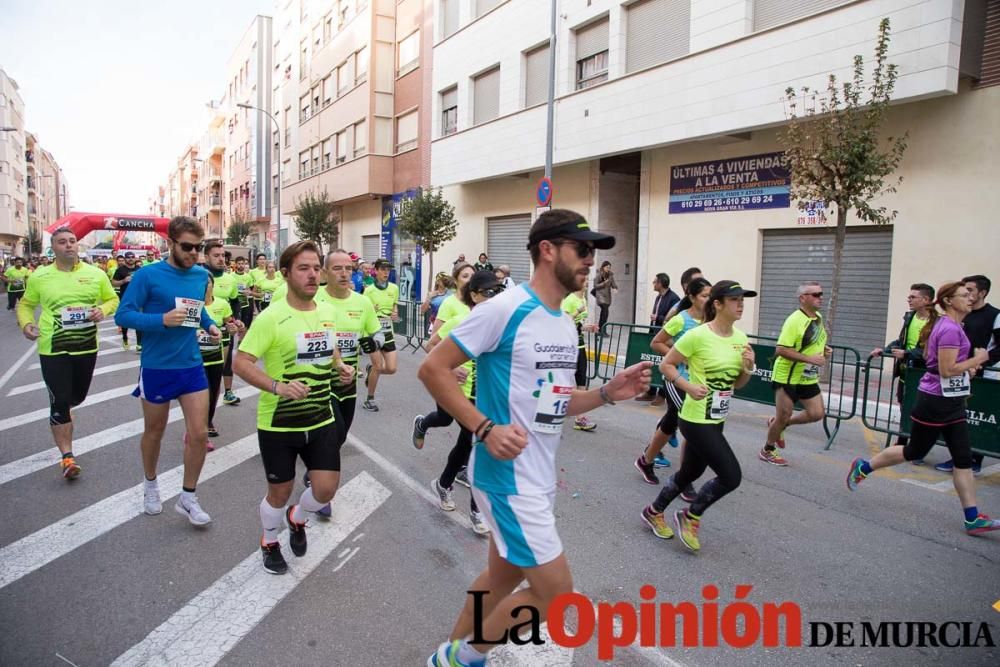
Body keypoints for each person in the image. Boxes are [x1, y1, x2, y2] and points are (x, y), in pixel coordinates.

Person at [419, 209, 651, 667]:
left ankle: (451, 658)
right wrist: (483, 428)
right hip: (508, 479)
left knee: (499, 580)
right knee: (557, 595)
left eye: (594, 252)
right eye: (582, 250)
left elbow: (555, 403)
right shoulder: (504, 309)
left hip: (538, 476)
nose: (591, 260)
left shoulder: (563, 321)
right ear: (548, 250)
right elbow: (433, 368)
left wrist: (606, 393)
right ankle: (460, 657)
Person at [234, 241, 355, 574]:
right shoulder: (272, 317)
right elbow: (241, 362)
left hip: (321, 417)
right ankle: (270, 540)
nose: (313, 274)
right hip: (279, 423)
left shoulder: (328, 312)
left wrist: (340, 368)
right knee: (280, 491)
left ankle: (297, 517)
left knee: (326, 489)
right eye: (304, 268)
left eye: (317, 267)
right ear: (286, 274)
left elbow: (330, 353)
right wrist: (278, 387)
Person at [847, 281, 998, 535]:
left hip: (951, 402)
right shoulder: (949, 328)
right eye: (964, 294)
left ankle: (973, 517)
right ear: (949, 301)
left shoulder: (954, 325)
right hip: (935, 403)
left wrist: (969, 369)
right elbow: (946, 369)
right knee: (913, 450)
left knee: (962, 458)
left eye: (971, 294)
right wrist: (979, 359)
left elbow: (947, 366)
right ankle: (864, 466)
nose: (970, 298)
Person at [115, 216, 222, 526]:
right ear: (170, 244)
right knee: (155, 432)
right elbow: (124, 315)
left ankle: (188, 497)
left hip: (191, 365)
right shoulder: (147, 276)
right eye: (187, 247)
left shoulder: (200, 275)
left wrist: (211, 325)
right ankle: (150, 484)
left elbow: (196, 309)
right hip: (157, 367)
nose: (193, 254)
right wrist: (160, 320)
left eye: (198, 248)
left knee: (200, 434)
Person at [641, 280, 757, 551]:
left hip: (717, 417)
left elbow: (737, 385)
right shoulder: (698, 335)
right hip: (695, 418)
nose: (740, 304)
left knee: (691, 471)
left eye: (743, 300)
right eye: (734, 299)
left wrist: (747, 368)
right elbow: (666, 365)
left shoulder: (740, 339)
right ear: (717, 304)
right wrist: (688, 386)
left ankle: (653, 511)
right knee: (731, 476)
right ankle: (691, 515)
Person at [16, 228, 119, 479]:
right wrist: (26, 323)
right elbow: (27, 304)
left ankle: (66, 408)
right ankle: (67, 457)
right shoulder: (40, 276)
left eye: (72, 241)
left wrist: (102, 311)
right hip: (53, 348)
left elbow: (112, 298)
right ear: (54, 248)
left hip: (86, 346)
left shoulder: (96, 274)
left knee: (78, 396)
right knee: (59, 401)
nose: (69, 246)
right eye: (62, 242)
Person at [421, 270, 504, 536]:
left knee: (469, 445)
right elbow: (431, 346)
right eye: (489, 293)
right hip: (465, 394)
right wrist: (450, 368)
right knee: (477, 447)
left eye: (499, 292)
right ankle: (477, 509)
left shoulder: (504, 323)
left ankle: (444, 483)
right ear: (474, 296)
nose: (495, 298)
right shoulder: (461, 320)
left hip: (492, 397)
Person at [306, 249, 381, 516]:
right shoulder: (313, 299)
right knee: (332, 432)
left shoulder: (361, 303)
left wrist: (380, 355)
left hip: (349, 383)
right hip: (318, 382)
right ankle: (320, 490)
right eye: (337, 268)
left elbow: (374, 335)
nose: (345, 273)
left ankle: (315, 468)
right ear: (325, 273)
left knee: (341, 434)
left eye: (349, 268)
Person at [635, 277, 712, 482]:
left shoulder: (711, 322)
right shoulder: (681, 319)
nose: (709, 299)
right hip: (676, 379)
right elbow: (656, 342)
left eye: (711, 296)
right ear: (692, 297)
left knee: (670, 423)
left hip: (699, 383)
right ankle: (683, 478)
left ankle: (647, 459)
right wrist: (678, 356)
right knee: (689, 425)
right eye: (705, 295)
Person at [761, 281, 831, 466]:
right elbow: (781, 350)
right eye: (815, 295)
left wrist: (824, 350)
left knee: (816, 414)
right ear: (803, 298)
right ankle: (767, 449)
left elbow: (813, 341)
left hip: (807, 377)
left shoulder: (818, 317)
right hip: (787, 376)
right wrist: (810, 359)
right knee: (784, 414)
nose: (820, 297)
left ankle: (780, 424)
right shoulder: (794, 320)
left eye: (821, 293)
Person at [933, 275, 998, 473]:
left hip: (984, 376)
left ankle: (973, 459)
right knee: (962, 419)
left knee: (979, 418)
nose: (967, 295)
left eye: (970, 290)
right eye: (964, 292)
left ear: (982, 293)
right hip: (959, 374)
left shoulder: (995, 315)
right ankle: (961, 459)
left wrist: (981, 362)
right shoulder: (959, 315)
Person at [870, 283, 935, 452]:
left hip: (924, 375)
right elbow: (901, 342)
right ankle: (903, 440)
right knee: (904, 406)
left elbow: (932, 351)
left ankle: (918, 446)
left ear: (926, 299)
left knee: (921, 411)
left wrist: (907, 354)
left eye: (913, 297)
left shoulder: (937, 322)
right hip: (906, 373)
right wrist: (884, 350)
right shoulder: (910, 317)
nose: (909, 299)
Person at [203, 240, 244, 409]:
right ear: (206, 258)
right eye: (216, 256)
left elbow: (235, 302)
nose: (221, 259)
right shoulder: (198, 276)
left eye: (223, 256)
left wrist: (235, 320)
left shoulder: (230, 279)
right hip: (202, 328)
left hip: (225, 326)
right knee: (205, 369)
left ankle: (227, 392)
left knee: (226, 363)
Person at [200, 274, 240, 447]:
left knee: (214, 390)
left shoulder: (222, 304)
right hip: (195, 356)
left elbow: (229, 325)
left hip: (217, 354)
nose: (204, 286)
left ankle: (208, 421)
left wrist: (233, 328)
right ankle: (198, 430)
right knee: (200, 393)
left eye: (207, 282)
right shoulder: (191, 305)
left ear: (212, 285)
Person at [361, 258, 399, 411]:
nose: (386, 272)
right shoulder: (368, 291)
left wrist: (395, 312)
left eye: (388, 270)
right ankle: (369, 399)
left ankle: (371, 372)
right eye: (382, 269)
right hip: (373, 333)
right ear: (375, 271)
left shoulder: (394, 288)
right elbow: (364, 313)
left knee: (391, 369)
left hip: (388, 332)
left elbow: (394, 305)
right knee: (378, 366)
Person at [637, 273, 681, 405]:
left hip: (666, 339)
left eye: (655, 281)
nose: (653, 283)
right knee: (652, 364)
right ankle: (650, 391)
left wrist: (658, 319)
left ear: (661, 283)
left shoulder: (673, 298)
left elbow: (672, 319)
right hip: (655, 335)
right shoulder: (658, 297)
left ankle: (662, 394)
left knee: (664, 365)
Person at [562, 284, 599, 431]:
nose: (586, 282)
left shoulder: (583, 298)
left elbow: (577, 325)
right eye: (583, 280)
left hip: (580, 344)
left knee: (582, 380)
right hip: (568, 346)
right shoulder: (570, 300)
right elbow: (563, 323)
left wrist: (587, 327)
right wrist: (577, 311)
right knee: (562, 380)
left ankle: (580, 418)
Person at [592, 260, 617, 329]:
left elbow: (613, 283)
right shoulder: (599, 274)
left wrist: (615, 288)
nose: (608, 269)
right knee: (605, 312)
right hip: (600, 296)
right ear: (603, 267)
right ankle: (602, 329)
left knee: (604, 314)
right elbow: (595, 285)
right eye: (607, 267)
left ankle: (600, 329)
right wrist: (604, 283)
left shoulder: (610, 275)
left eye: (609, 267)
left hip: (607, 296)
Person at [233, 255, 254, 330]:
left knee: (245, 323)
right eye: (239, 263)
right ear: (235, 264)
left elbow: (252, 290)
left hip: (245, 301)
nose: (241, 265)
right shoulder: (231, 276)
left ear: (244, 265)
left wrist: (248, 292)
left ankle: (242, 339)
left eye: (242, 263)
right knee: (235, 322)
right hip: (235, 301)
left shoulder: (248, 277)